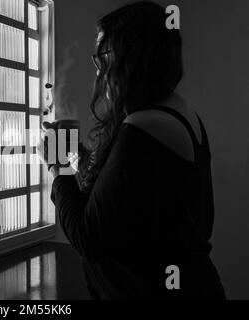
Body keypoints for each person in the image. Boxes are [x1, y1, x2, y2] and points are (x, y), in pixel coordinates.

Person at [40, 1, 226, 300]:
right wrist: (80, 158)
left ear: (132, 58)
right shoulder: (178, 113)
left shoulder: (144, 127)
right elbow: (130, 201)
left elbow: (88, 238)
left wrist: (57, 165)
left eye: (103, 55)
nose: (99, 70)